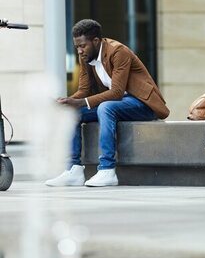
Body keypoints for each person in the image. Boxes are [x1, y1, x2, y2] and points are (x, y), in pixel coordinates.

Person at [45, 19, 169, 187]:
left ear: (96, 41)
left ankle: (107, 170)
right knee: (72, 113)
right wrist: (68, 101)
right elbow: (84, 90)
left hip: (143, 104)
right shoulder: (87, 57)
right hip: (120, 104)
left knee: (105, 107)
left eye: (83, 46)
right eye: (77, 47)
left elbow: (116, 92)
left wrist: (80, 101)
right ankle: (73, 170)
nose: (80, 51)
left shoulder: (118, 51)